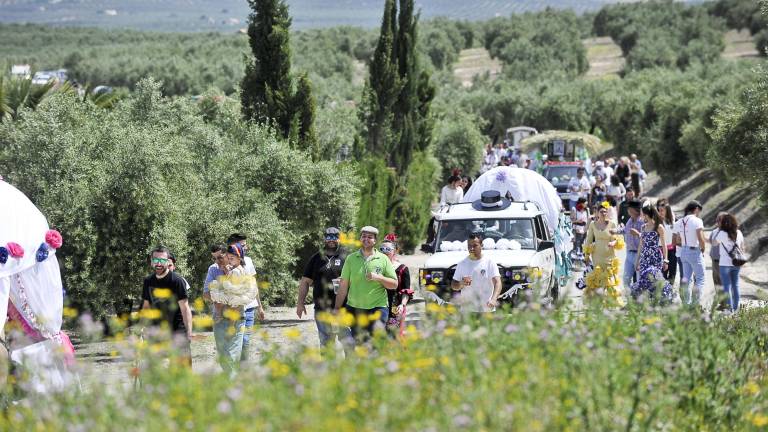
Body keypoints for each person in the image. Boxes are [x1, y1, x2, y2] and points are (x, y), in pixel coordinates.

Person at [334, 226, 398, 344]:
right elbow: (343, 286)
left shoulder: (383, 259)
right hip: (354, 308)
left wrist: (378, 277)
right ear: (360, 238)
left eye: (370, 237)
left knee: (375, 341)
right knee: (360, 343)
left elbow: (394, 284)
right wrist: (337, 308)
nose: (366, 239)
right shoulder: (351, 259)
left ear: (375, 240)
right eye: (364, 236)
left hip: (378, 307)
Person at [296, 227, 351, 347]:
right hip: (322, 309)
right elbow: (305, 281)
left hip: (344, 309)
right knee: (326, 343)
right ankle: (329, 366)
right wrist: (300, 303)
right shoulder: (316, 258)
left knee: (348, 342)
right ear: (324, 239)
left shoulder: (347, 257)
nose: (331, 240)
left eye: (335, 237)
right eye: (328, 237)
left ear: (339, 239)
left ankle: (349, 365)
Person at [142, 246, 193, 367]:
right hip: (157, 334)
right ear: (151, 261)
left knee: (182, 373)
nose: (159, 263)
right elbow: (146, 306)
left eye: (162, 260)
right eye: (155, 260)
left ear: (167, 261)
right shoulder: (148, 281)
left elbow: (185, 308)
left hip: (178, 333)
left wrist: (189, 332)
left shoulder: (177, 281)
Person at [212, 243, 255, 375]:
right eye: (229, 258)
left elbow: (233, 289)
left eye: (232, 258)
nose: (229, 261)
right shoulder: (237, 269)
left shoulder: (237, 270)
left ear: (239, 258)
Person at [227, 233, 264, 362]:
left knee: (246, 340)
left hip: (249, 307)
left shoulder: (248, 261)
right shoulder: (226, 263)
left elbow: (253, 284)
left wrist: (260, 306)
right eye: (243, 245)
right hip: (233, 309)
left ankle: (243, 368)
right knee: (234, 340)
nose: (246, 247)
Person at [631, 203, 674, 303]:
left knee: (655, 280)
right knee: (644, 282)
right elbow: (641, 246)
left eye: (642, 213)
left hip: (655, 257)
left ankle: (658, 302)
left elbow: (664, 245)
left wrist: (666, 260)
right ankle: (646, 304)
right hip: (644, 257)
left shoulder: (659, 227)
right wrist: (637, 261)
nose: (641, 215)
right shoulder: (643, 227)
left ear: (646, 215)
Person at [582, 203, 624, 306]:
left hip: (609, 256)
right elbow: (588, 240)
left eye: (605, 211)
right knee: (598, 280)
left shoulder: (612, 224)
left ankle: (611, 303)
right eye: (601, 211)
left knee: (609, 281)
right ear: (597, 213)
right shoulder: (593, 224)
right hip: (597, 256)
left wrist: (613, 242)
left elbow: (618, 239)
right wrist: (586, 255)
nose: (604, 213)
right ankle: (598, 302)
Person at [451, 232, 502, 312]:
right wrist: (461, 283)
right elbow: (453, 285)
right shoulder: (462, 264)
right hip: (467, 311)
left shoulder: (489, 262)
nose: (471, 249)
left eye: (475, 246)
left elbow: (498, 282)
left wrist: (494, 299)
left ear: (481, 245)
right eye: (469, 246)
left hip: (486, 309)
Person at [674, 200, 706, 306]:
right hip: (694, 250)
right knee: (700, 278)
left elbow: (677, 240)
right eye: (698, 211)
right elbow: (701, 238)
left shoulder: (681, 221)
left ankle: (686, 304)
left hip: (684, 250)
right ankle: (695, 304)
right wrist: (703, 248)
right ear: (696, 209)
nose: (698, 213)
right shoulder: (697, 221)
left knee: (686, 279)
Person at [379, 235, 413, 336]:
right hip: (377, 306)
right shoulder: (375, 267)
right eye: (382, 249)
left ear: (394, 251)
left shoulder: (402, 268)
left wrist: (402, 304)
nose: (385, 251)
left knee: (393, 334)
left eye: (388, 249)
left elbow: (406, 290)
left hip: (395, 307)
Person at [712, 214, 745, 312]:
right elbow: (743, 247)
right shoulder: (739, 232)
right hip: (736, 263)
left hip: (724, 264)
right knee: (736, 285)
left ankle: (729, 309)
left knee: (727, 286)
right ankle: (736, 308)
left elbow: (714, 243)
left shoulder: (722, 233)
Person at [622, 200, 644, 292]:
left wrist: (638, 233)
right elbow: (625, 231)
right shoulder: (629, 220)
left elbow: (646, 238)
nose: (627, 209)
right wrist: (615, 231)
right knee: (626, 279)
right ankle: (630, 300)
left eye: (629, 208)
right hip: (629, 254)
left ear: (635, 209)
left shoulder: (642, 222)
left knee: (640, 281)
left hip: (639, 255)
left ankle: (638, 302)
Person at [656, 199, 677, 283]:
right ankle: (663, 293)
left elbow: (670, 211)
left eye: (662, 210)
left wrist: (666, 206)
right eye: (659, 210)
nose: (660, 212)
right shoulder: (657, 222)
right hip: (661, 251)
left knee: (672, 274)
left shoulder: (672, 220)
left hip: (672, 251)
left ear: (667, 210)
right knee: (662, 275)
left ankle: (669, 293)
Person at [708, 212, 728, 287]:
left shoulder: (728, 232)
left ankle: (725, 297)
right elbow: (710, 241)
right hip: (714, 260)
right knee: (716, 280)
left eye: (720, 220)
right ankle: (719, 297)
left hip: (724, 260)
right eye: (717, 219)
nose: (718, 221)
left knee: (723, 280)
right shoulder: (714, 231)